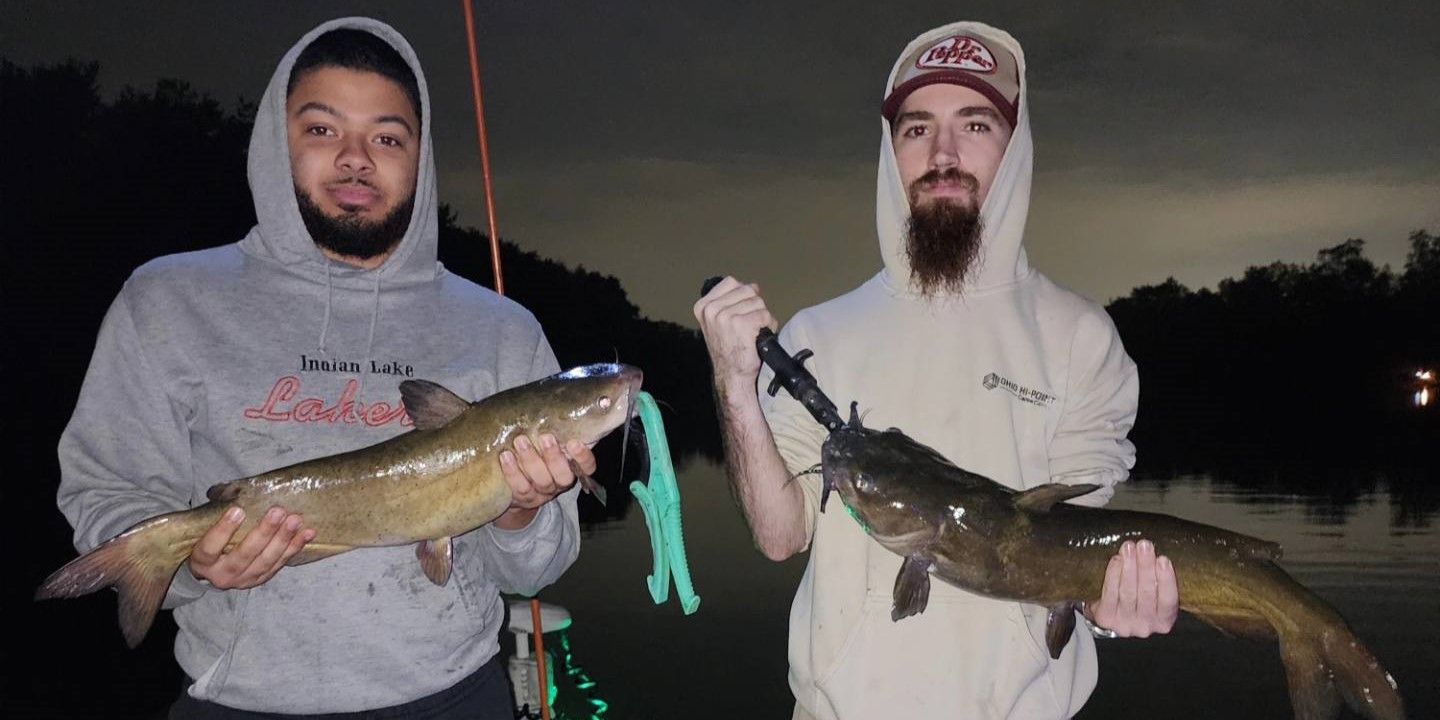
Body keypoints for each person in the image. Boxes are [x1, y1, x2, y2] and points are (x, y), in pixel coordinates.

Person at [55, 18, 590, 719]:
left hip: (455, 695)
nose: (356, 159)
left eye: (387, 137)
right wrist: (192, 562)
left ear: (421, 159)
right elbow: (105, 491)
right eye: (322, 130)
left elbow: (538, 570)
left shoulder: (503, 329)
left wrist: (522, 511)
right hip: (240, 700)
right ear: (278, 144)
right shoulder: (168, 300)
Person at [695, 21, 1179, 719]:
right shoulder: (818, 334)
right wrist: (733, 384)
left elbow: (1077, 544)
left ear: (1016, 148)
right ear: (891, 153)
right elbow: (780, 535)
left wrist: (1115, 604)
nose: (943, 154)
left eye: (975, 124)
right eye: (917, 129)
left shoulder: (1081, 338)